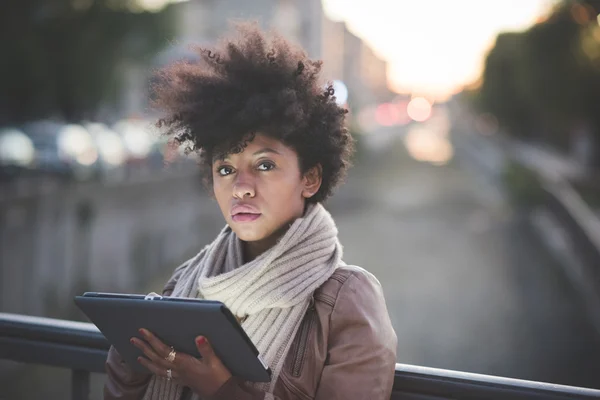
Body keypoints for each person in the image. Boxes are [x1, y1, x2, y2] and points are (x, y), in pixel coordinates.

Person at [104, 22, 397, 400]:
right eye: (225, 169)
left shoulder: (347, 301)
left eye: (264, 165)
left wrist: (221, 390)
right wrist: (131, 361)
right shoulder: (185, 282)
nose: (240, 186)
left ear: (309, 178)